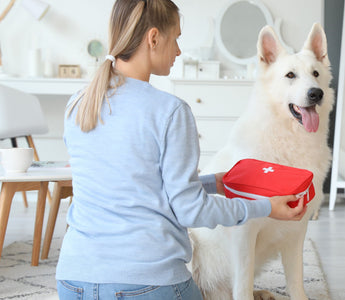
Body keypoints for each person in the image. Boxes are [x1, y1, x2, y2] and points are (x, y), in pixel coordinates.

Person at [56, 0, 307, 299]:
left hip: (72, 282)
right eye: (175, 38)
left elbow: (133, 186)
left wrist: (212, 182)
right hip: (147, 284)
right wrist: (266, 207)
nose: (177, 50)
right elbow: (191, 210)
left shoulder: (78, 103)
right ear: (153, 38)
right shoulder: (170, 111)